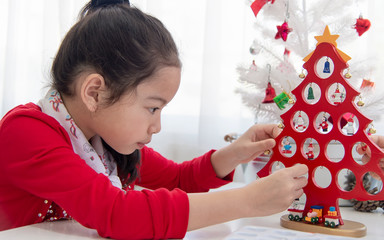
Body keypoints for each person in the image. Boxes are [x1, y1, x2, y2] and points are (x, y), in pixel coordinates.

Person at [0, 0, 308, 239]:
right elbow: (116, 214)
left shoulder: (101, 139)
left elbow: (177, 179)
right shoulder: (26, 133)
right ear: (94, 93)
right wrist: (247, 201)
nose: (156, 126)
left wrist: (236, 153)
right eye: (152, 108)